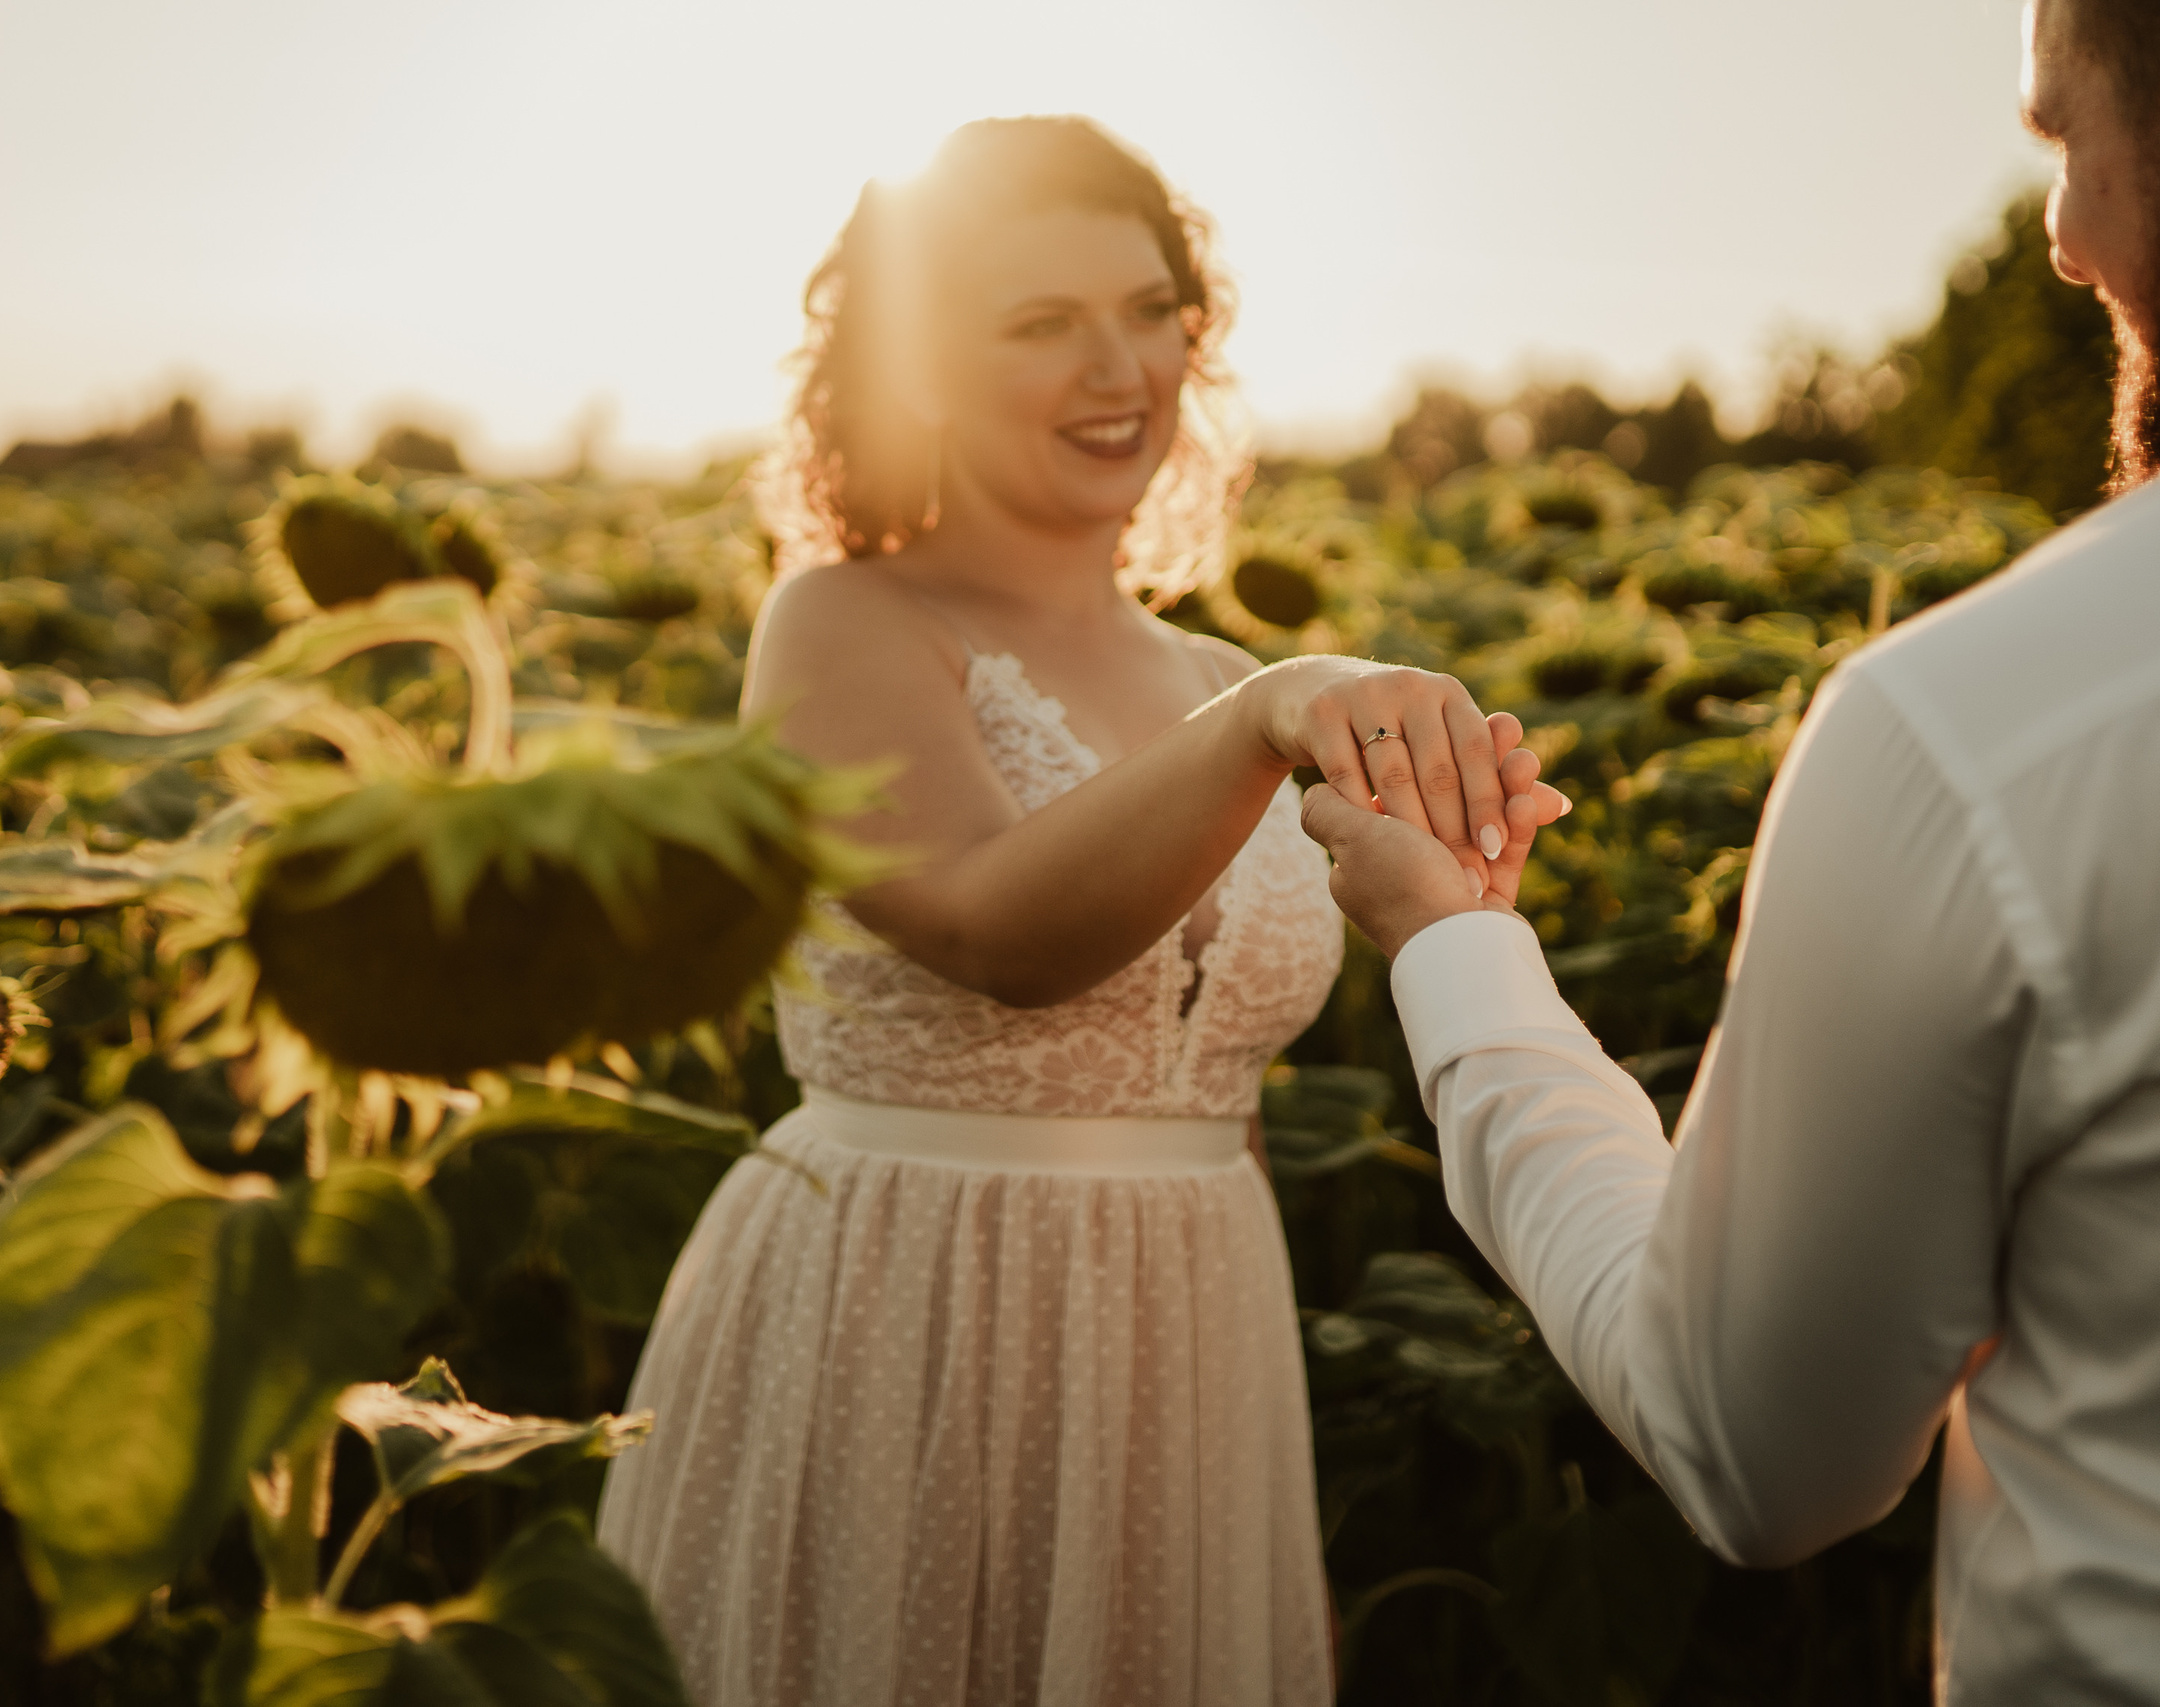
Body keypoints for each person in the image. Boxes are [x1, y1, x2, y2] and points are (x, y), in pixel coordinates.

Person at [1300, 2, 2160, 1701]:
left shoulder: (1989, 724)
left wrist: (1453, 953)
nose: (2067, 243)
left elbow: (1749, 1445)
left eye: (2063, 146)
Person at [597, 117, 1555, 1707]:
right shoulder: (842, 622)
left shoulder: (1215, 679)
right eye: (1038, 323)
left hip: (1192, 1340)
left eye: (1149, 306)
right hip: (898, 1320)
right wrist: (1282, 712)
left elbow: (1221, 1101)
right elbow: (993, 929)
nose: (1119, 366)